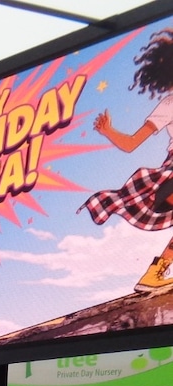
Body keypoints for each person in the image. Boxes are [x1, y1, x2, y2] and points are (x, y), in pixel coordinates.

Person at [83, 29, 173, 294]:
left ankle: (153, 274)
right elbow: (132, 143)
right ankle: (155, 273)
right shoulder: (169, 105)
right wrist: (108, 131)